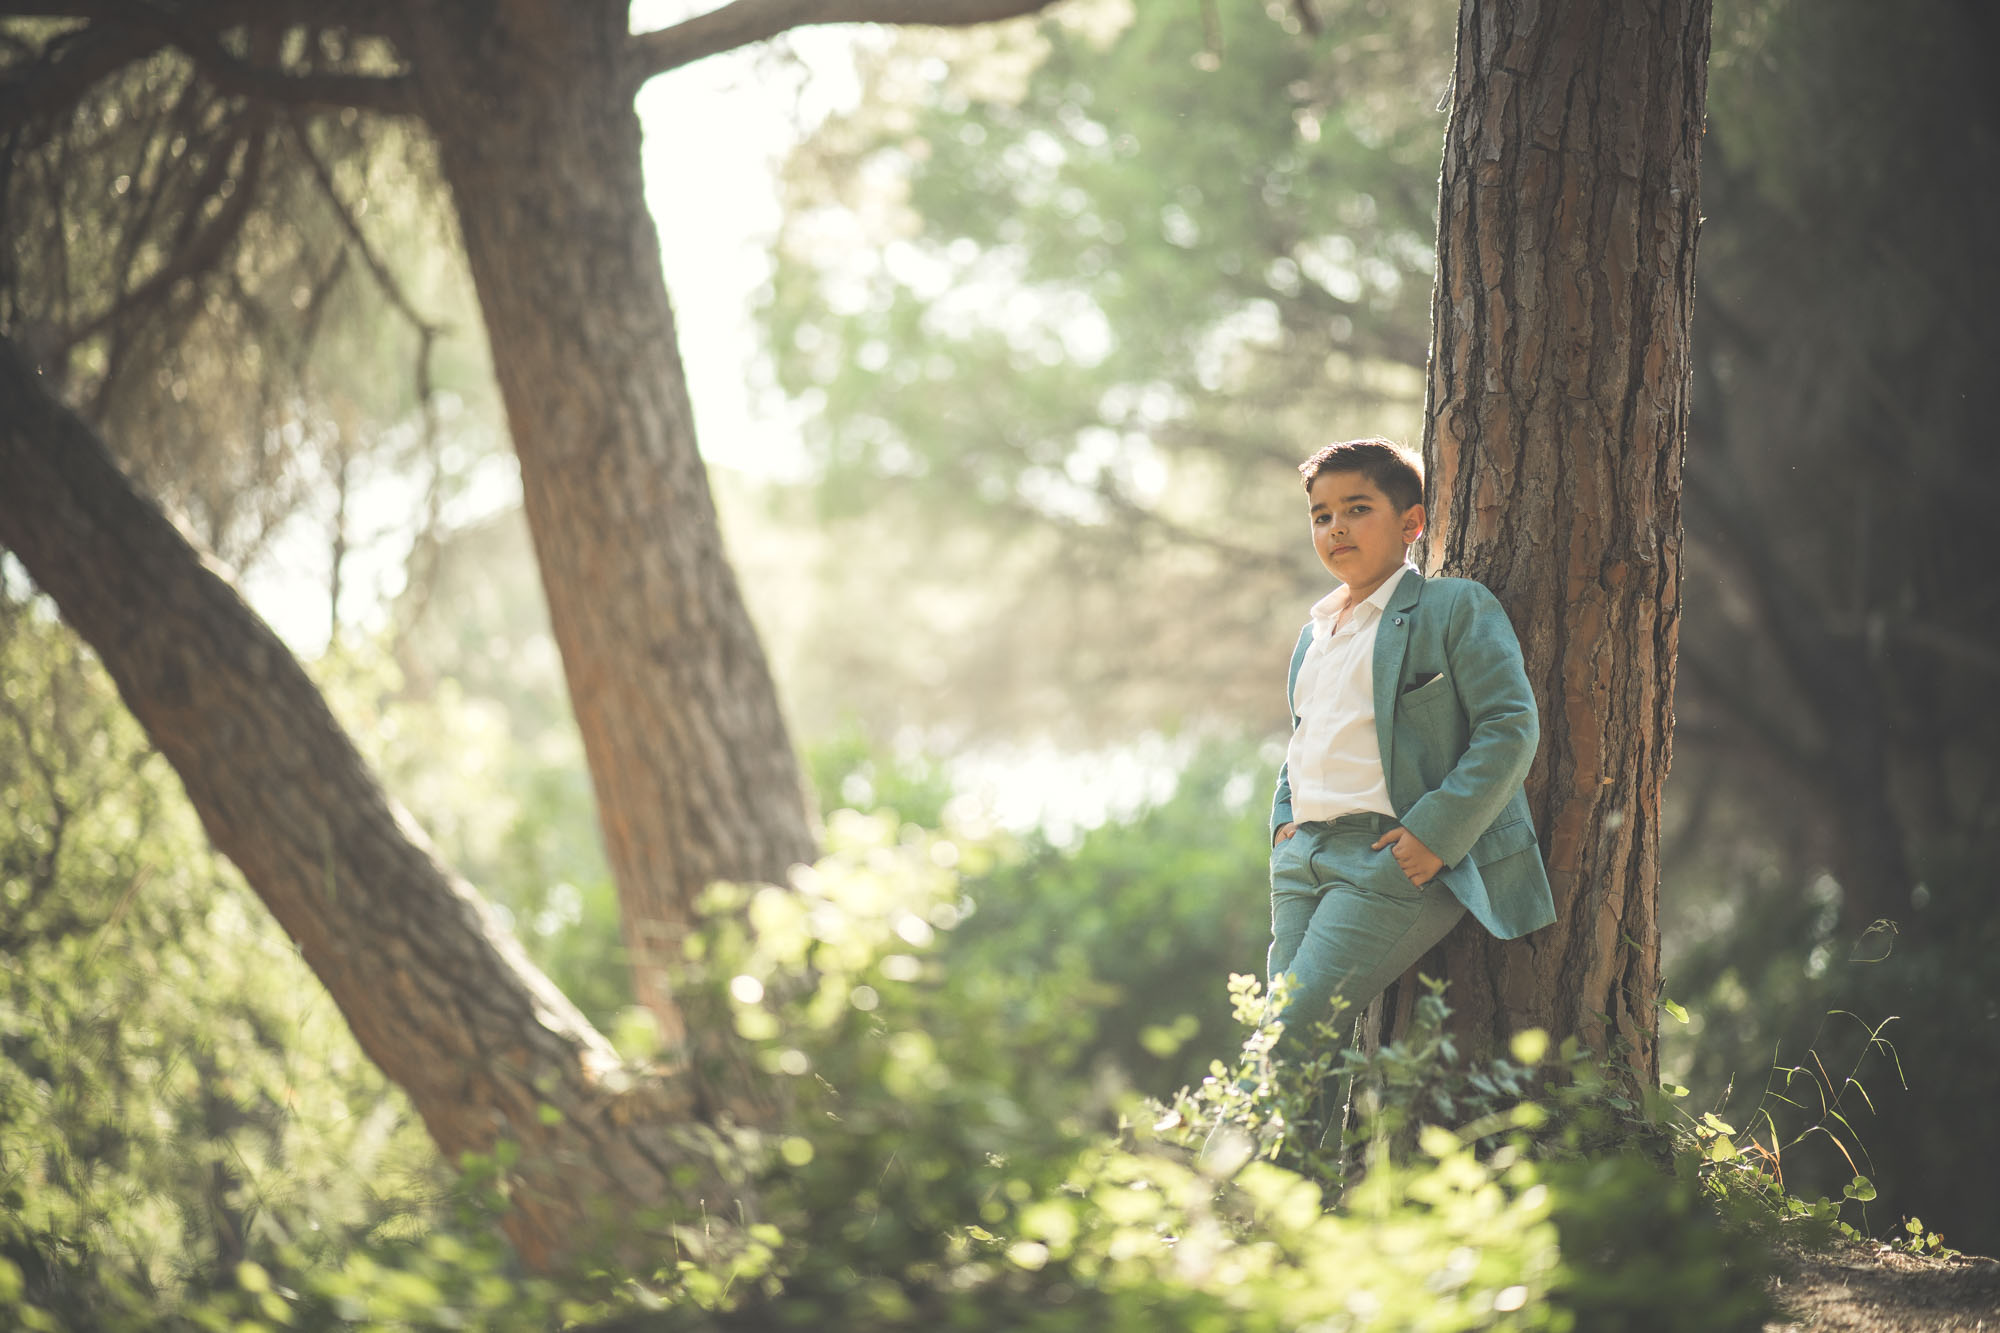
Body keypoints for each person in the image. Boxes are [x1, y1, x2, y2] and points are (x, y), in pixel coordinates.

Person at [1264, 437, 1555, 1071]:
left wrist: (1432, 835)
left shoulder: (1452, 607)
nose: (1336, 526)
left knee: (1285, 1045)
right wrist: (1284, 822)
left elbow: (1509, 727)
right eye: (1321, 515)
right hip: (1301, 863)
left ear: (1411, 523)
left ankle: (1215, 1174)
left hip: (1388, 861)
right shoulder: (1312, 635)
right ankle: (1292, 1174)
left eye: (1357, 508)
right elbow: (1305, 737)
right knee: (1295, 1054)